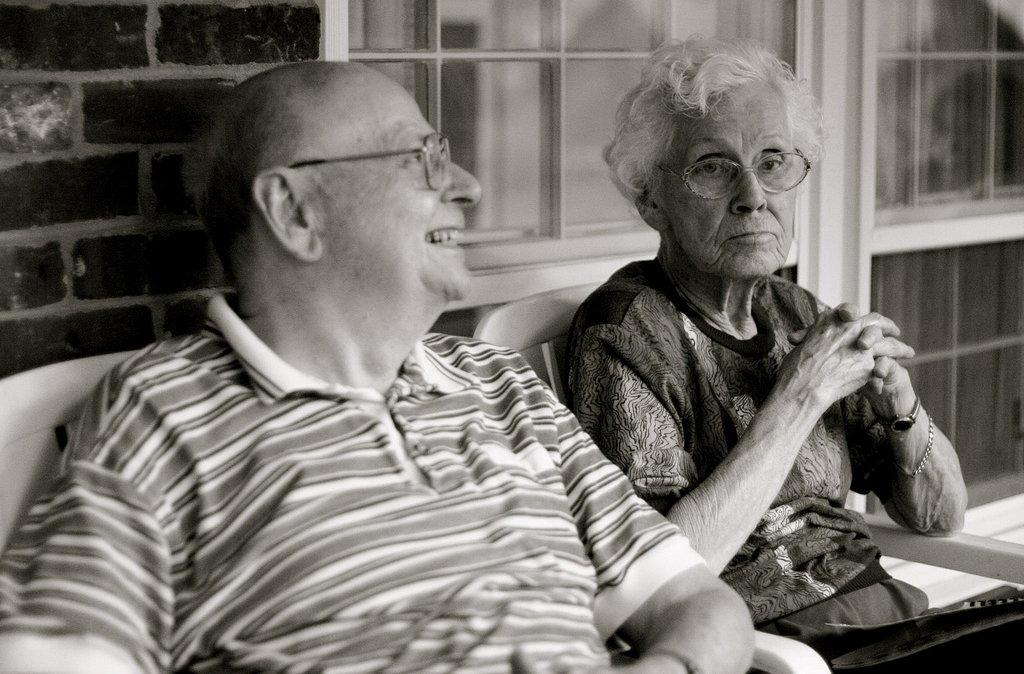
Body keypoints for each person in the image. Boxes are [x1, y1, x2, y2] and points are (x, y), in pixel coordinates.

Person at [0, 62, 754, 674]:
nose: (468, 186)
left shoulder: (501, 386)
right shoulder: (164, 411)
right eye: (421, 159)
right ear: (295, 211)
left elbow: (696, 602)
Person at [565, 37, 969, 661]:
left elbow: (941, 517)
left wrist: (900, 405)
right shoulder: (625, 332)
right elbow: (656, 575)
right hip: (777, 651)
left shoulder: (795, 312)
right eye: (712, 167)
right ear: (651, 199)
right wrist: (801, 396)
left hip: (891, 624)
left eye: (773, 161)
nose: (753, 194)